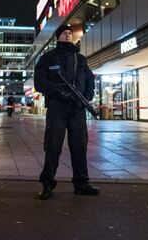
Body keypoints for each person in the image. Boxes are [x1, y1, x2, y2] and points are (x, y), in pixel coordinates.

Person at [33, 24, 99, 200]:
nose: (68, 35)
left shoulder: (81, 59)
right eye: (64, 33)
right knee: (53, 147)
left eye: (70, 33)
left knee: (79, 147)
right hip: (57, 108)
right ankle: (47, 184)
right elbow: (39, 82)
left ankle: (81, 183)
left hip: (77, 109)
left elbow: (90, 80)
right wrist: (56, 90)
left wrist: (86, 98)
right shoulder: (48, 58)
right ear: (58, 36)